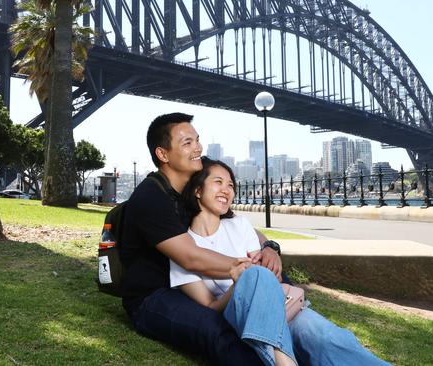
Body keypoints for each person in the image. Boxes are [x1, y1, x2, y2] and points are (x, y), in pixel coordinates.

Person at [170, 157, 391, 366]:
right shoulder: (183, 248)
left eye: (230, 185)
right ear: (198, 190)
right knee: (253, 275)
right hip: (239, 316)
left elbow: (269, 277)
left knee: (329, 337)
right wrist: (238, 284)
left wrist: (266, 265)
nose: (226, 190)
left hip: (280, 306)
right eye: (218, 182)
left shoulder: (240, 225)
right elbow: (210, 307)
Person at [120, 113, 280, 365]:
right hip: (154, 296)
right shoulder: (151, 197)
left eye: (197, 140)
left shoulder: (189, 189)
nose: (198, 148)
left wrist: (269, 248)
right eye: (187, 143)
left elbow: (232, 220)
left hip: (192, 286)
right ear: (163, 155)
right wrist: (250, 270)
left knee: (274, 296)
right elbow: (191, 258)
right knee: (217, 331)